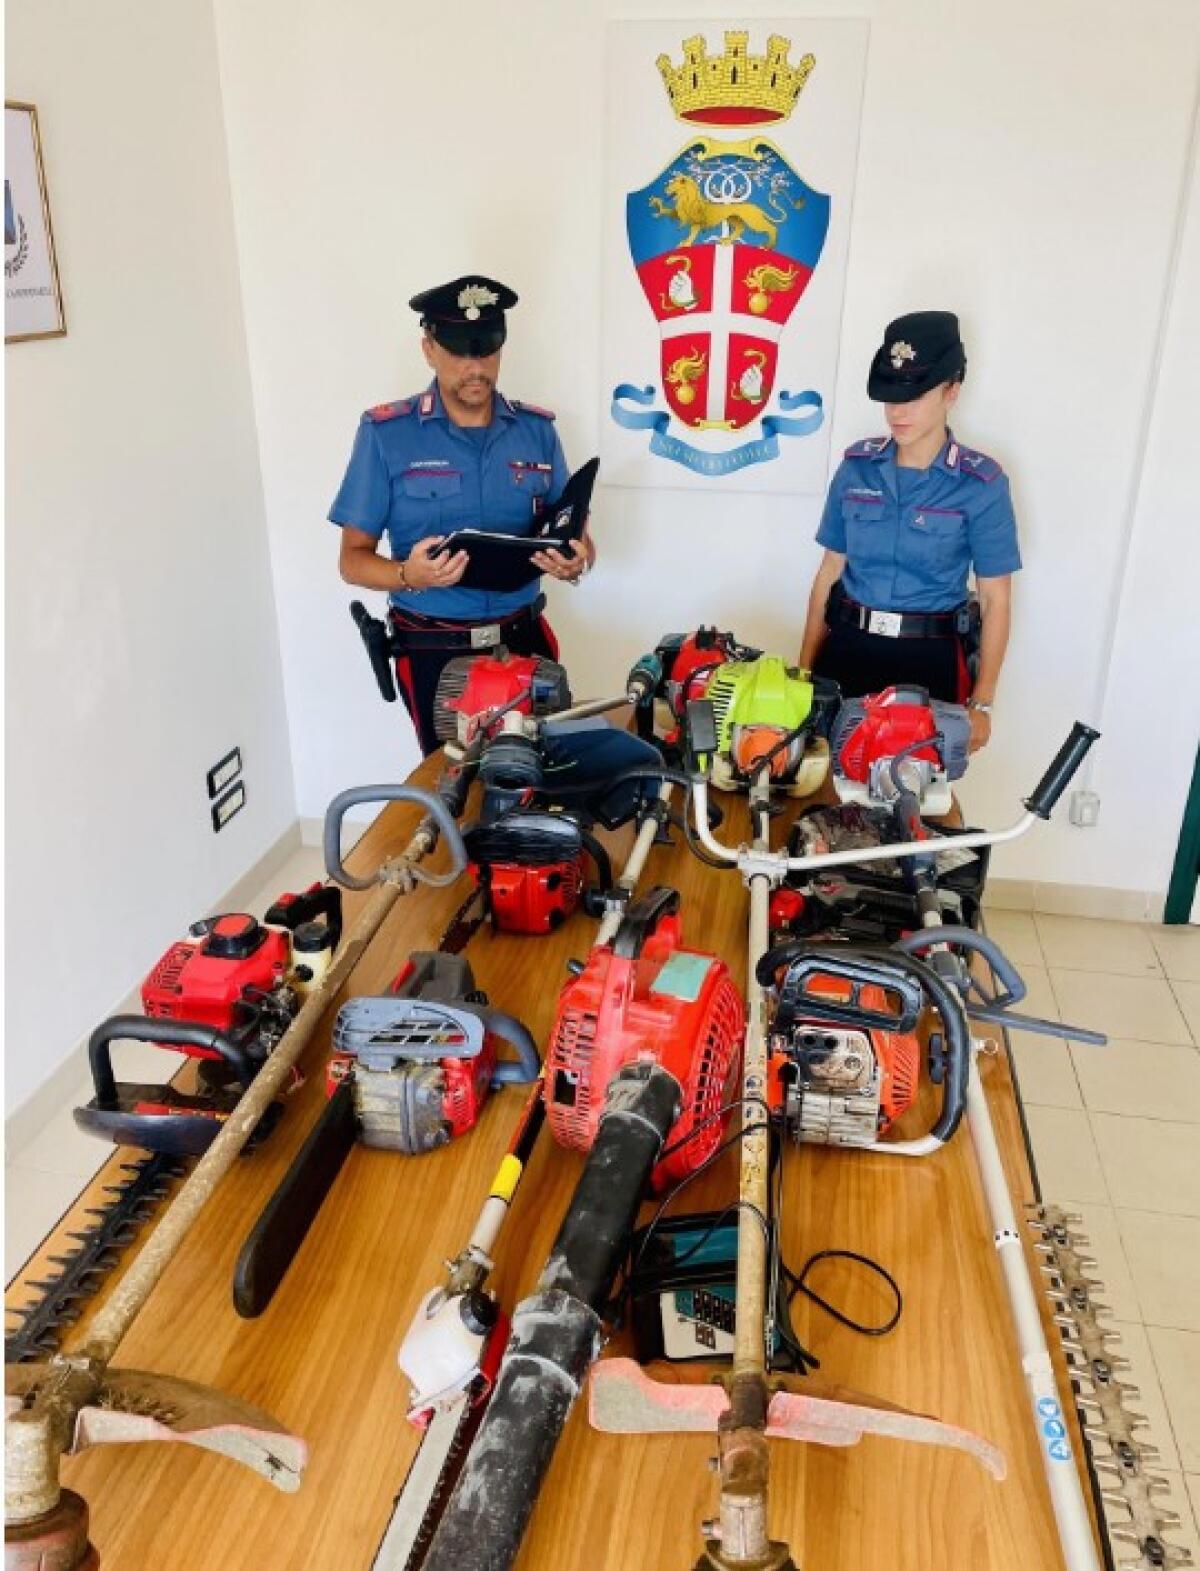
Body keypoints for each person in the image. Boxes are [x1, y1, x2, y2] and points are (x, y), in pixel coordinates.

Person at [331, 275, 594, 753]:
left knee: (537, 779)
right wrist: (409, 574)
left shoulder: (536, 432)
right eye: (458, 352)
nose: (476, 368)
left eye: (487, 351)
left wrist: (576, 561)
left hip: (524, 639)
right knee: (453, 786)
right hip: (435, 651)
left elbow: (575, 534)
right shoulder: (386, 434)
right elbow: (352, 559)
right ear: (429, 348)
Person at [798, 311, 1020, 753]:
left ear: (951, 391)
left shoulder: (982, 485)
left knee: (910, 796)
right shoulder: (856, 468)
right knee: (823, 785)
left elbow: (996, 600)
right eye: (889, 396)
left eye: (914, 395)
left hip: (930, 662)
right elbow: (828, 573)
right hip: (847, 650)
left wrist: (984, 703)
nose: (897, 411)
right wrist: (803, 672)